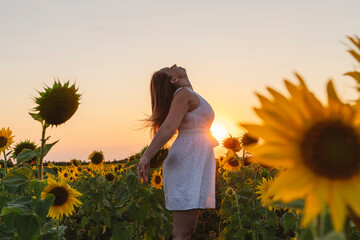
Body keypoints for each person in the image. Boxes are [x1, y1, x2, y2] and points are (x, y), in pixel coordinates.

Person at [137, 64, 219, 240]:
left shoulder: (187, 94)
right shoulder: (183, 95)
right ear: (174, 80)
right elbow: (168, 127)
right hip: (187, 163)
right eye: (169, 68)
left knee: (186, 232)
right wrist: (146, 156)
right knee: (182, 234)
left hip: (192, 161)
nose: (174, 65)